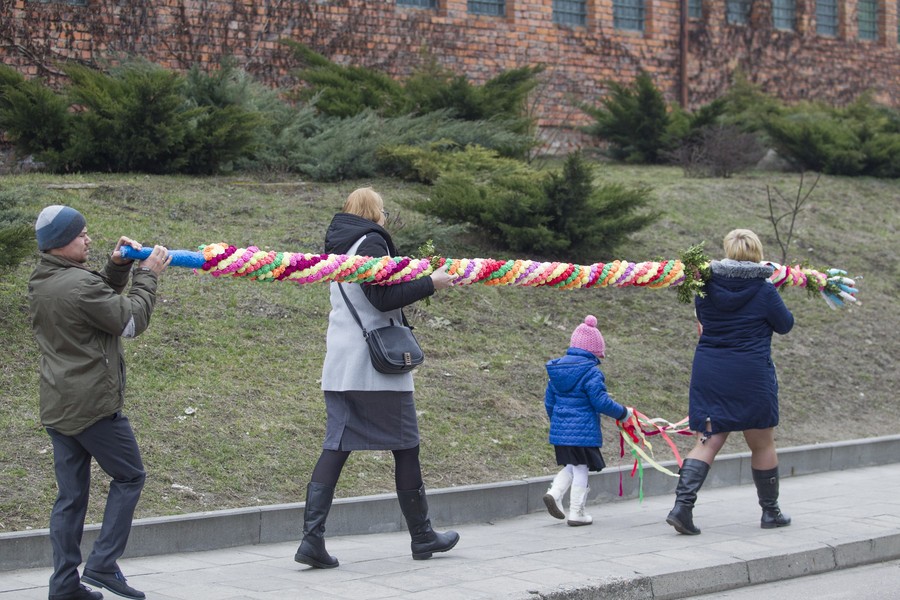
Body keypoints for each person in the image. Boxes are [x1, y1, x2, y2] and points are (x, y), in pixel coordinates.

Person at [294, 187, 458, 569]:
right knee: (406, 446)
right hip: (374, 368)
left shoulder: (341, 248)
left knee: (336, 447)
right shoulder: (371, 245)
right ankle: (422, 535)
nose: (385, 216)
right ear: (373, 212)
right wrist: (432, 282)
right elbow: (381, 299)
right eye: (383, 210)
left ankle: (311, 540)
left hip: (341, 364)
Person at [28, 205, 171, 600]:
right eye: (82, 234)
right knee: (130, 476)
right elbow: (129, 321)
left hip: (58, 403)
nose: (88, 239)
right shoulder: (76, 284)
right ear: (60, 243)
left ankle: (64, 587)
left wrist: (117, 267)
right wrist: (147, 275)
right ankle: (104, 563)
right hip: (92, 406)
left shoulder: (45, 278)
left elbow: (95, 304)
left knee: (71, 499)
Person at [666, 228, 794, 536]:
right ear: (757, 254)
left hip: (711, 370)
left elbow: (702, 322)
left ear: (726, 250)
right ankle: (770, 513)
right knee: (761, 442)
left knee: (708, 440)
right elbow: (785, 325)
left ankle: (682, 508)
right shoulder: (764, 290)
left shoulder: (704, 286)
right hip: (751, 372)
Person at [542, 315, 633, 526]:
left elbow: (549, 403)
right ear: (594, 352)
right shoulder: (591, 372)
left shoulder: (556, 371)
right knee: (581, 468)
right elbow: (600, 401)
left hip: (561, 430)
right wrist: (623, 413)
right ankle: (577, 512)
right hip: (583, 431)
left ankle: (555, 493)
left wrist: (558, 423)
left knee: (573, 464)